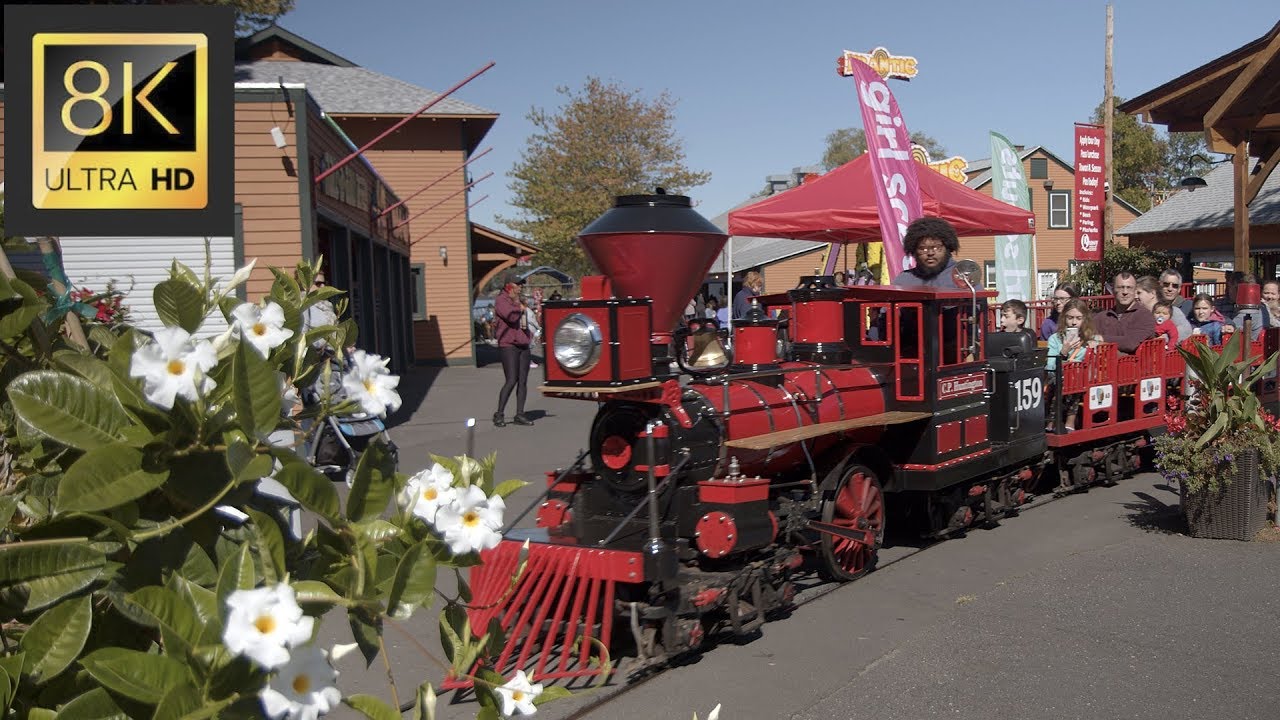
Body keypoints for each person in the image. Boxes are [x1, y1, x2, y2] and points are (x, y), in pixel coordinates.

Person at [494, 281, 534, 427]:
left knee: (523, 381)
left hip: (523, 343)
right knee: (511, 380)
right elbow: (510, 316)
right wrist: (518, 305)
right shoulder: (501, 300)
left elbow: (525, 318)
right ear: (509, 286)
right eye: (518, 284)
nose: (521, 287)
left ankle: (520, 414)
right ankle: (499, 414)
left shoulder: (519, 300)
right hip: (508, 344)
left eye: (521, 284)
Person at [1094, 272, 1156, 353]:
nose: (1125, 292)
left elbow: (1130, 343)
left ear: (1135, 291)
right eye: (1120, 287)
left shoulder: (1145, 316)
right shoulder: (1101, 317)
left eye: (1129, 287)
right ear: (1112, 290)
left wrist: (1100, 339)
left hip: (1134, 364)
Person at [892, 217, 959, 289]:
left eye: (936, 247)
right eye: (923, 248)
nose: (930, 253)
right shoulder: (903, 280)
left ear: (948, 247)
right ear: (914, 251)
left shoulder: (964, 276)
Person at [1138, 275, 1191, 341]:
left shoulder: (1172, 311)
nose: (1135, 296)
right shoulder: (1139, 314)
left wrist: (1163, 339)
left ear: (1152, 293)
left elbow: (1186, 330)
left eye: (1139, 293)